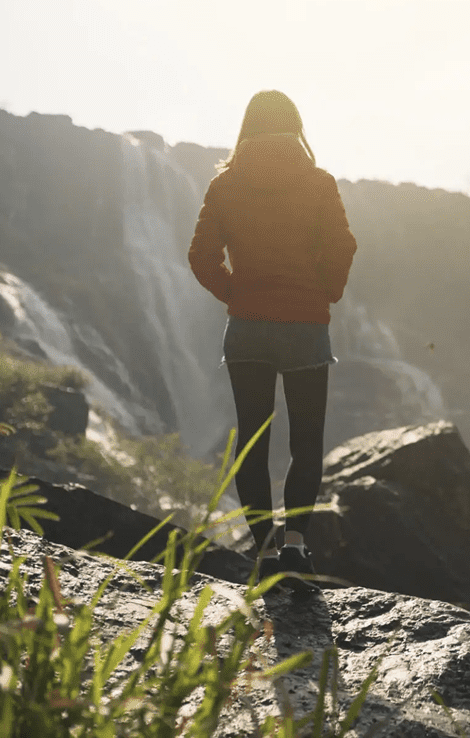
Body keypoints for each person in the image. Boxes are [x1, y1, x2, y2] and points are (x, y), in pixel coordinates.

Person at [188, 89, 357, 585]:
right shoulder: (319, 182)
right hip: (306, 325)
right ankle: (297, 549)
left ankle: (263, 549)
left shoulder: (225, 186)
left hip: (247, 329)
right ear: (296, 127)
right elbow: (343, 244)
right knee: (306, 442)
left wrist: (235, 294)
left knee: (253, 439)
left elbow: (200, 255)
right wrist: (327, 291)